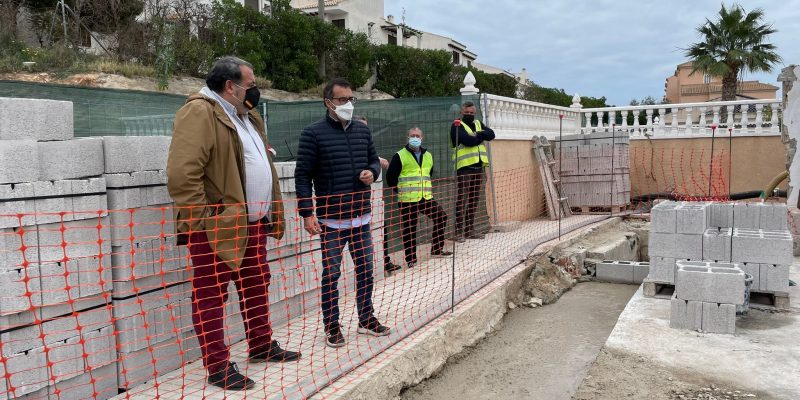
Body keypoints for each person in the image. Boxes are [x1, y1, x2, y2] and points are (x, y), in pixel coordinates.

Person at [167, 56, 301, 391]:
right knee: (211, 296)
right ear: (230, 86)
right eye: (250, 84)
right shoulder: (200, 112)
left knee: (256, 284)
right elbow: (183, 173)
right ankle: (217, 366)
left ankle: (260, 343)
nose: (255, 90)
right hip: (218, 228)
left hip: (252, 224)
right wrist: (206, 221)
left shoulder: (245, 115)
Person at [295, 78, 391, 348]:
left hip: (361, 218)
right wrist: (307, 213)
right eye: (342, 100)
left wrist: (372, 172)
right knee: (332, 274)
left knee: (365, 270)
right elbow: (302, 176)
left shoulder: (362, 131)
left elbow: (374, 160)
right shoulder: (312, 134)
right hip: (331, 222)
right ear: (328, 103)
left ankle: (366, 318)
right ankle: (332, 326)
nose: (348, 103)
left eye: (352, 99)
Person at [386, 127, 453, 268]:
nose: (415, 138)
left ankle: (436, 249)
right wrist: (400, 191)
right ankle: (411, 260)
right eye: (412, 135)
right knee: (410, 228)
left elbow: (429, 173)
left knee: (441, 216)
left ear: (422, 138)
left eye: (417, 135)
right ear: (407, 138)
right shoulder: (399, 156)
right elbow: (390, 178)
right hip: (407, 200)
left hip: (425, 197)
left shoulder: (428, 155)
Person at [353, 115, 403, 274]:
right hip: (347, 207)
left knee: (382, 229)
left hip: (369, 202)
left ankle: (385, 261)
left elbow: (382, 162)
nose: (364, 130)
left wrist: (376, 163)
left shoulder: (366, 144)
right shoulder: (347, 143)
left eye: (366, 127)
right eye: (361, 126)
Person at [450, 101, 496, 242]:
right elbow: (467, 141)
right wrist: (480, 136)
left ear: (474, 113)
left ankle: (469, 229)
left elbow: (492, 134)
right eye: (467, 113)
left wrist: (478, 134)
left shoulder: (477, 123)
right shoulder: (456, 125)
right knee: (462, 199)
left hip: (478, 167)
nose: (469, 115)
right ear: (461, 113)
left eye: (471, 113)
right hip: (464, 168)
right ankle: (458, 232)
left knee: (474, 199)